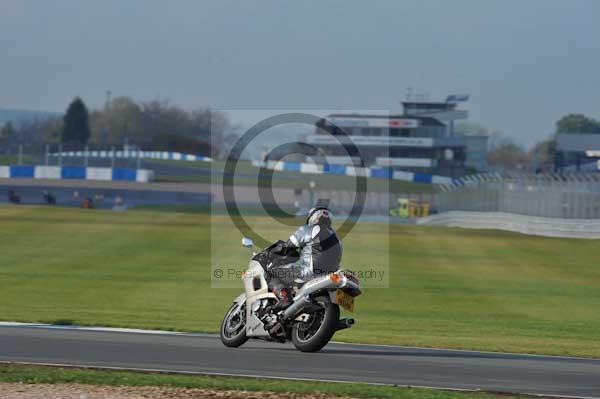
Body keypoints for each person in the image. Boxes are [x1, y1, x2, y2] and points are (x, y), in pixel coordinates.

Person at [267, 206, 342, 309]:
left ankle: (285, 299)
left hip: (308, 273)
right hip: (329, 276)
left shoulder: (308, 229)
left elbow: (288, 246)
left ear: (312, 217)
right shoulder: (337, 237)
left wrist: (272, 253)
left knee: (270, 273)